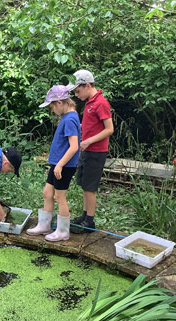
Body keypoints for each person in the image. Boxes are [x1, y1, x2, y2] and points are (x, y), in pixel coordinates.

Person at [26, 85, 80, 242]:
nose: (52, 111)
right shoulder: (67, 117)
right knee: (47, 193)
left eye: (52, 107)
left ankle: (63, 232)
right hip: (57, 164)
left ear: (60, 102)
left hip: (64, 166)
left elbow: (74, 146)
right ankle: (44, 225)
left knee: (59, 196)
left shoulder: (70, 119)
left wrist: (60, 165)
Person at [67, 69, 114, 234]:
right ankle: (84, 215)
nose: (77, 95)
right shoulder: (89, 102)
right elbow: (92, 125)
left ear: (87, 85)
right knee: (83, 185)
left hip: (96, 152)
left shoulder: (101, 103)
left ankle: (89, 222)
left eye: (78, 91)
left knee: (89, 187)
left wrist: (88, 141)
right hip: (86, 150)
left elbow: (109, 129)